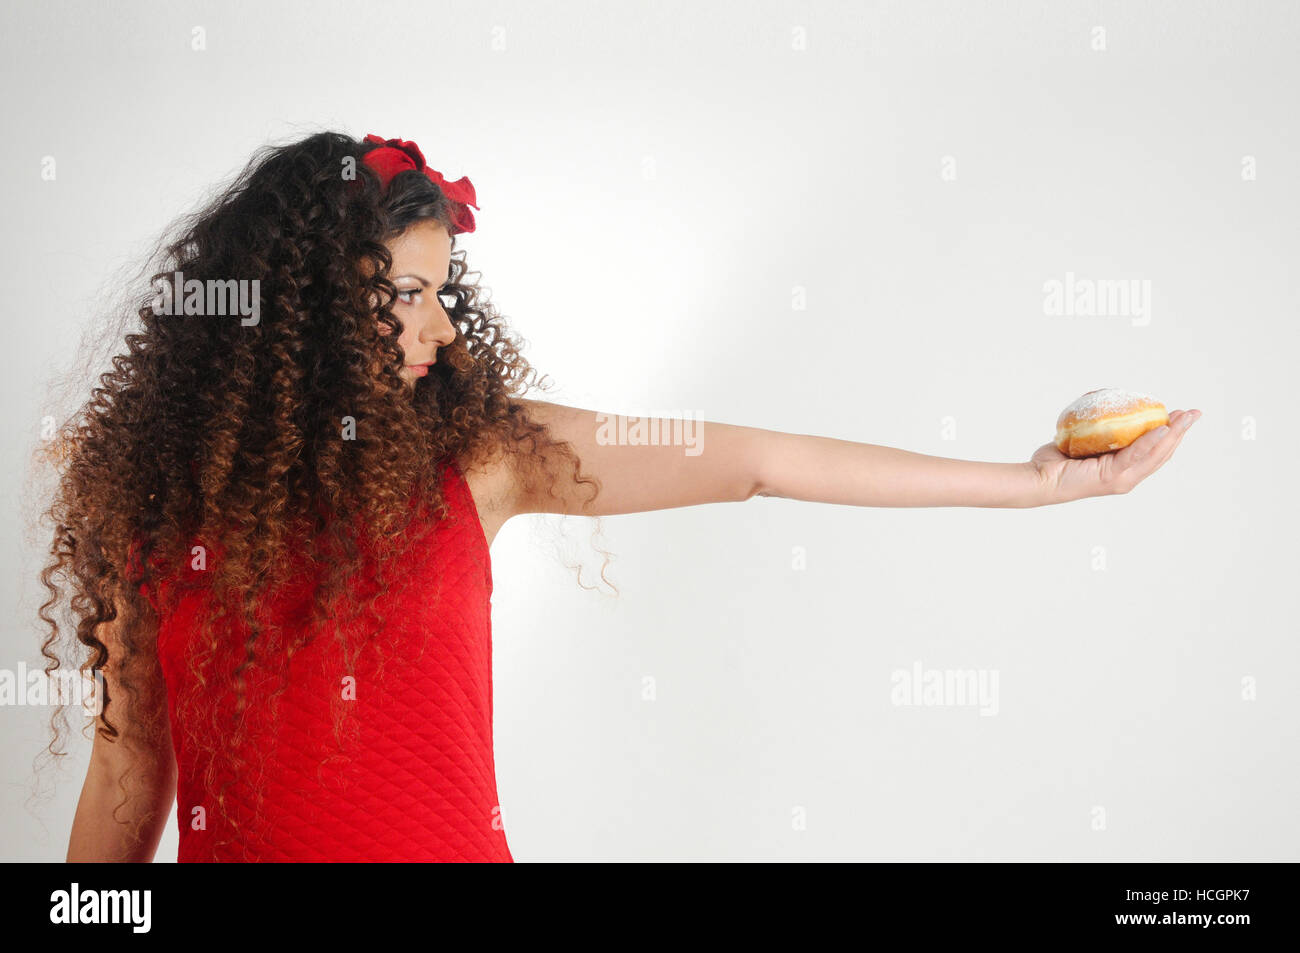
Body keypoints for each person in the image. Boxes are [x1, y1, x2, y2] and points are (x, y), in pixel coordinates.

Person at [43, 131, 1198, 862]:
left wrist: (1033, 488)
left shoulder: (483, 457)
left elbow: (756, 460)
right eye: (408, 292)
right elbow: (130, 781)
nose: (441, 326)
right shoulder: (152, 516)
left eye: (447, 293)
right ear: (300, 311)